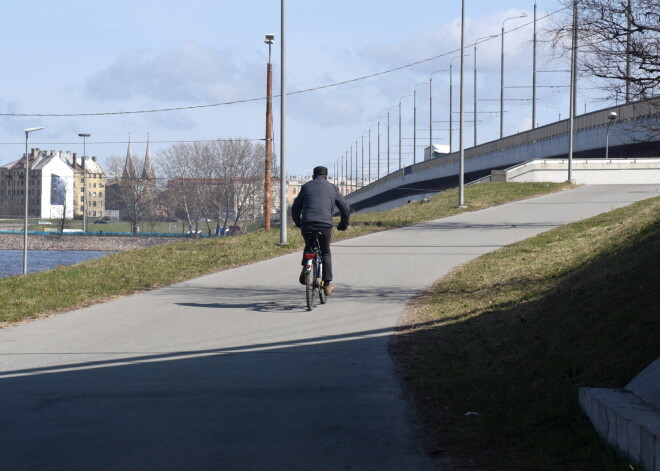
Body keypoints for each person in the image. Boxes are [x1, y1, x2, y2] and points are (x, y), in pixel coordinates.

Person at [291, 165, 350, 296]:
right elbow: (345, 208)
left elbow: (295, 208)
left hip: (308, 224)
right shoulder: (332, 188)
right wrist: (343, 224)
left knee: (309, 246)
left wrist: (299, 223)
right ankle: (327, 284)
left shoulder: (306, 187)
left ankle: (306, 269)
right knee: (325, 251)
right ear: (326, 177)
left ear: (313, 177)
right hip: (325, 225)